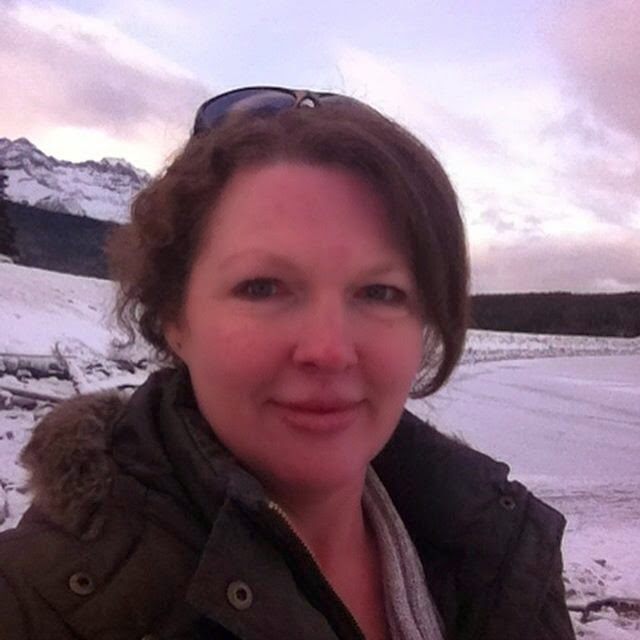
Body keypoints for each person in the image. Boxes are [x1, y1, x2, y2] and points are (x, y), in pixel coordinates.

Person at [0, 87, 575, 640]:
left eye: (379, 293)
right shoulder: (34, 606)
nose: (328, 350)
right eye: (262, 287)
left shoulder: (500, 556)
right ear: (174, 316)